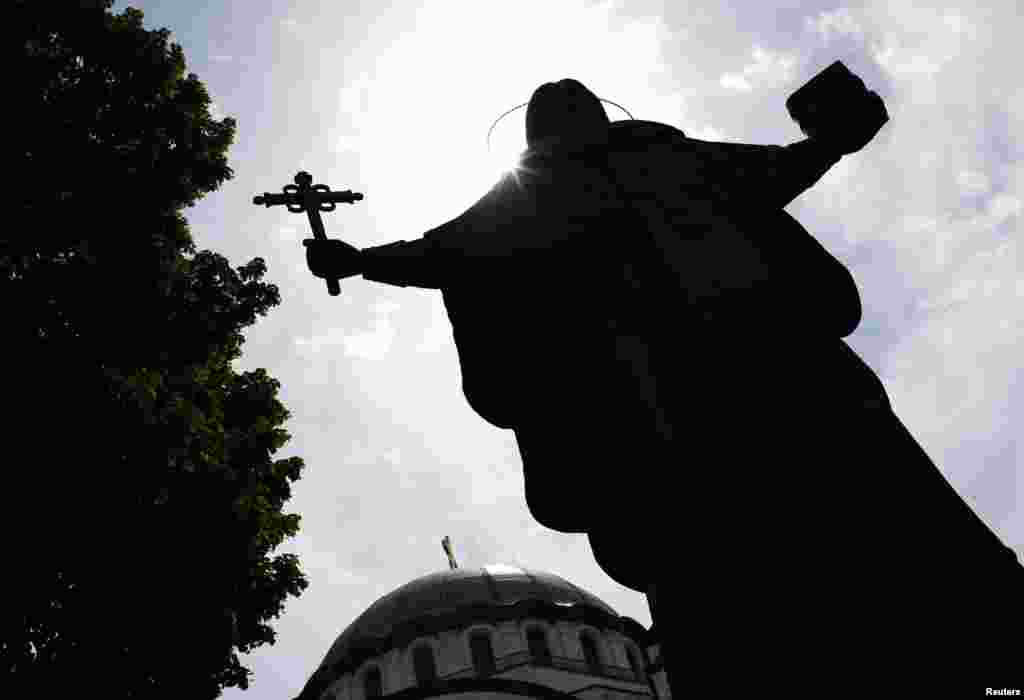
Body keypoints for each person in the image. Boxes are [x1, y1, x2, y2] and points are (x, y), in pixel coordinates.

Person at [305, 78, 1022, 693]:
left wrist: (832, 140)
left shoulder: (657, 157)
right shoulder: (539, 195)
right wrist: (361, 258)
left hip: (776, 375)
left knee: (897, 524)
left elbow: (772, 172)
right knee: (722, 574)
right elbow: (444, 252)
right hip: (665, 412)